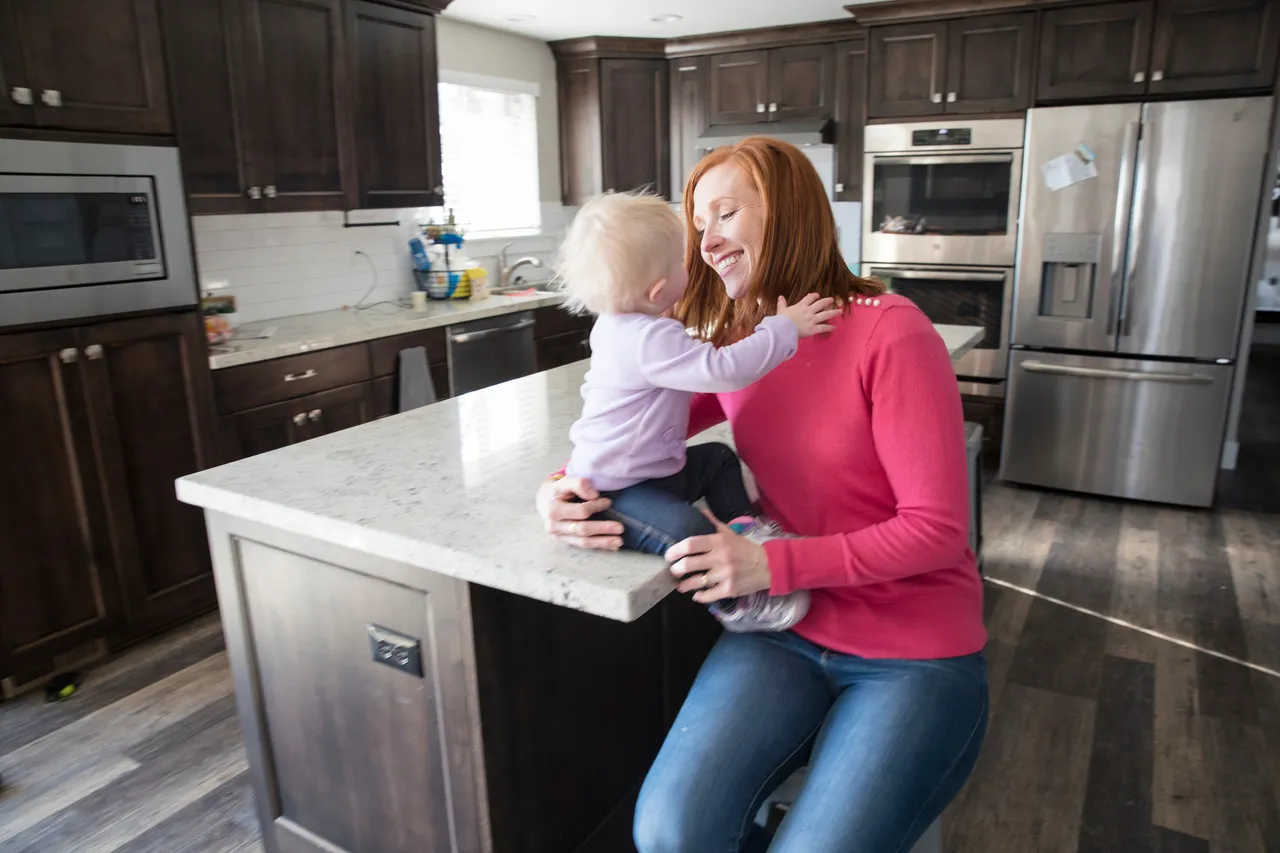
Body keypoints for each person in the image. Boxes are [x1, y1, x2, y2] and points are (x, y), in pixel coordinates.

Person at [534, 136, 988, 853]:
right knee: (669, 831)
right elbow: (629, 438)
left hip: (912, 648)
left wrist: (771, 567)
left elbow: (935, 531)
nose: (706, 241)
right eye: (698, 223)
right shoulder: (741, 344)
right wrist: (564, 487)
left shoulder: (891, 332)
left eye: (724, 214)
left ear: (789, 210)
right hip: (786, 634)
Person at [556, 190, 838, 631]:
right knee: (690, 529)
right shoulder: (647, 339)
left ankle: (748, 531)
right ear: (657, 289)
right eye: (681, 262)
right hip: (617, 495)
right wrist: (783, 329)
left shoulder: (623, 327)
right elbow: (723, 370)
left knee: (717, 459)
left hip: (644, 474)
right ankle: (735, 602)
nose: (695, 260)